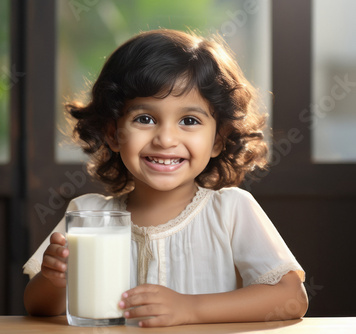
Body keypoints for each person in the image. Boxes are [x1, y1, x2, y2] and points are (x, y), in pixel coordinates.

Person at [23, 29, 308, 327]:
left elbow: (291, 298)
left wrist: (190, 308)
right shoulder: (88, 215)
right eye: (144, 119)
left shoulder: (231, 211)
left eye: (189, 121)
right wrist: (54, 280)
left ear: (218, 140)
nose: (166, 139)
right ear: (113, 133)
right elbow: (38, 307)